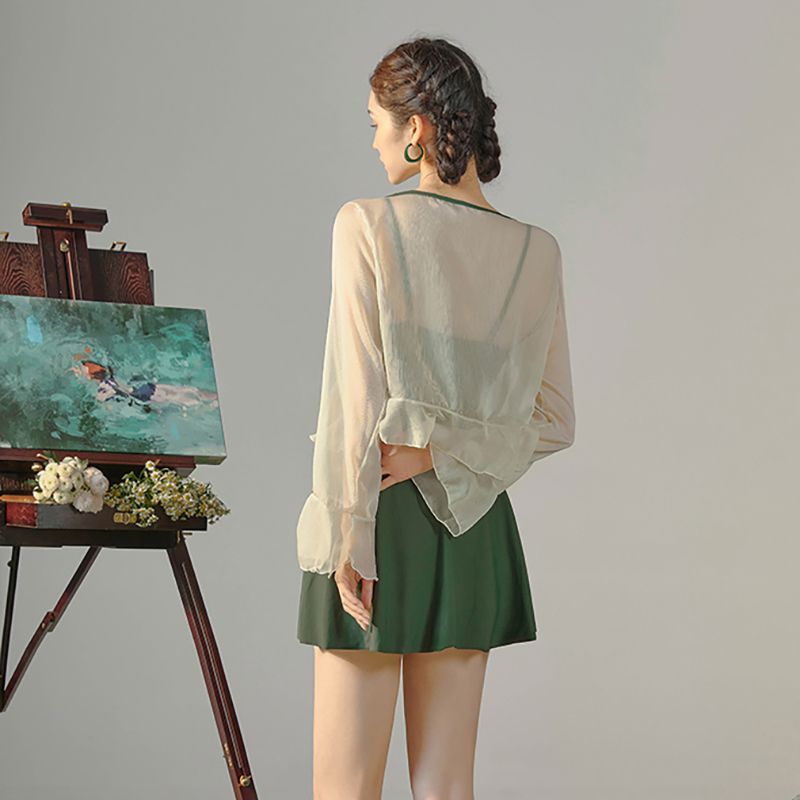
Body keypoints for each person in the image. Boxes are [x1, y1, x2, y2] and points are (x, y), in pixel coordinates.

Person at [295, 36, 576, 799]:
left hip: (377, 513)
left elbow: (354, 396)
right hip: (474, 526)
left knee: (344, 790)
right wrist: (443, 454)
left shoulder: (365, 224)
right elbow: (555, 420)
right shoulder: (536, 251)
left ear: (416, 127)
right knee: (447, 788)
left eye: (376, 123)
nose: (373, 141)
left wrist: (349, 531)